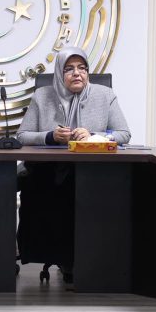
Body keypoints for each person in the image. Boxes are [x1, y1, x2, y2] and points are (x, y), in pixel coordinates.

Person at [15, 48, 131, 283]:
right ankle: (62, 257)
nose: (77, 74)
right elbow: (22, 136)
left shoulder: (105, 95)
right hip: (46, 170)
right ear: (59, 73)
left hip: (90, 170)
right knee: (52, 189)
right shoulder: (42, 96)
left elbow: (124, 134)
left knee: (79, 187)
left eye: (82, 68)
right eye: (69, 69)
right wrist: (50, 136)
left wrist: (93, 135)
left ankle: (83, 259)